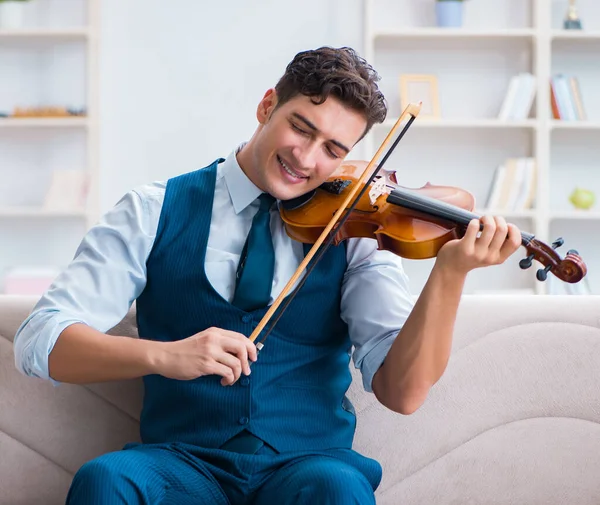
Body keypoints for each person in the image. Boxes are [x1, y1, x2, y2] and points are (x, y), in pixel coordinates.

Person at [13, 46, 521, 505]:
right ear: (266, 106)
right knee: (108, 480)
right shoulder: (153, 209)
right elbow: (41, 339)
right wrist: (166, 356)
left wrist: (450, 273)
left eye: (334, 150)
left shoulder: (359, 228)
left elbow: (402, 393)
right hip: (181, 464)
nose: (307, 157)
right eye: (301, 127)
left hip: (306, 468)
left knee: (337, 489)